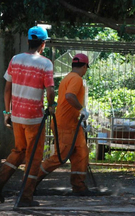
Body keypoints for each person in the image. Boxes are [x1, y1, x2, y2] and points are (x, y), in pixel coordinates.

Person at [0, 26, 55, 207]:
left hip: (17, 116)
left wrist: (7, 113)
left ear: (28, 42)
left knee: (19, 151)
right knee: (34, 157)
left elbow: (7, 88)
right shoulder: (46, 63)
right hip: (34, 118)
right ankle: (25, 197)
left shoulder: (15, 59)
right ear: (43, 44)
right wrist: (51, 105)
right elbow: (50, 90)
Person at [35, 53, 94, 196]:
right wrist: (81, 110)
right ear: (85, 66)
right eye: (86, 68)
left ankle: (79, 187)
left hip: (72, 124)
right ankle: (30, 181)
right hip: (65, 125)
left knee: (81, 153)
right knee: (59, 157)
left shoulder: (68, 77)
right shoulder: (76, 79)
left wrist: (81, 119)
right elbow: (69, 96)